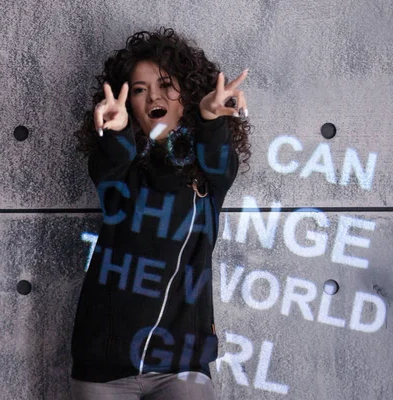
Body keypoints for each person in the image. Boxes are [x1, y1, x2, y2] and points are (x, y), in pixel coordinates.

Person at [70, 27, 253, 399]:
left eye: (166, 84)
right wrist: (115, 133)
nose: (153, 95)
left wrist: (210, 119)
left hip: (182, 362)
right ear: (130, 106)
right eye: (138, 89)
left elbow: (219, 161)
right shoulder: (122, 171)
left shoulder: (208, 177)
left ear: (186, 91)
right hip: (104, 363)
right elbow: (107, 168)